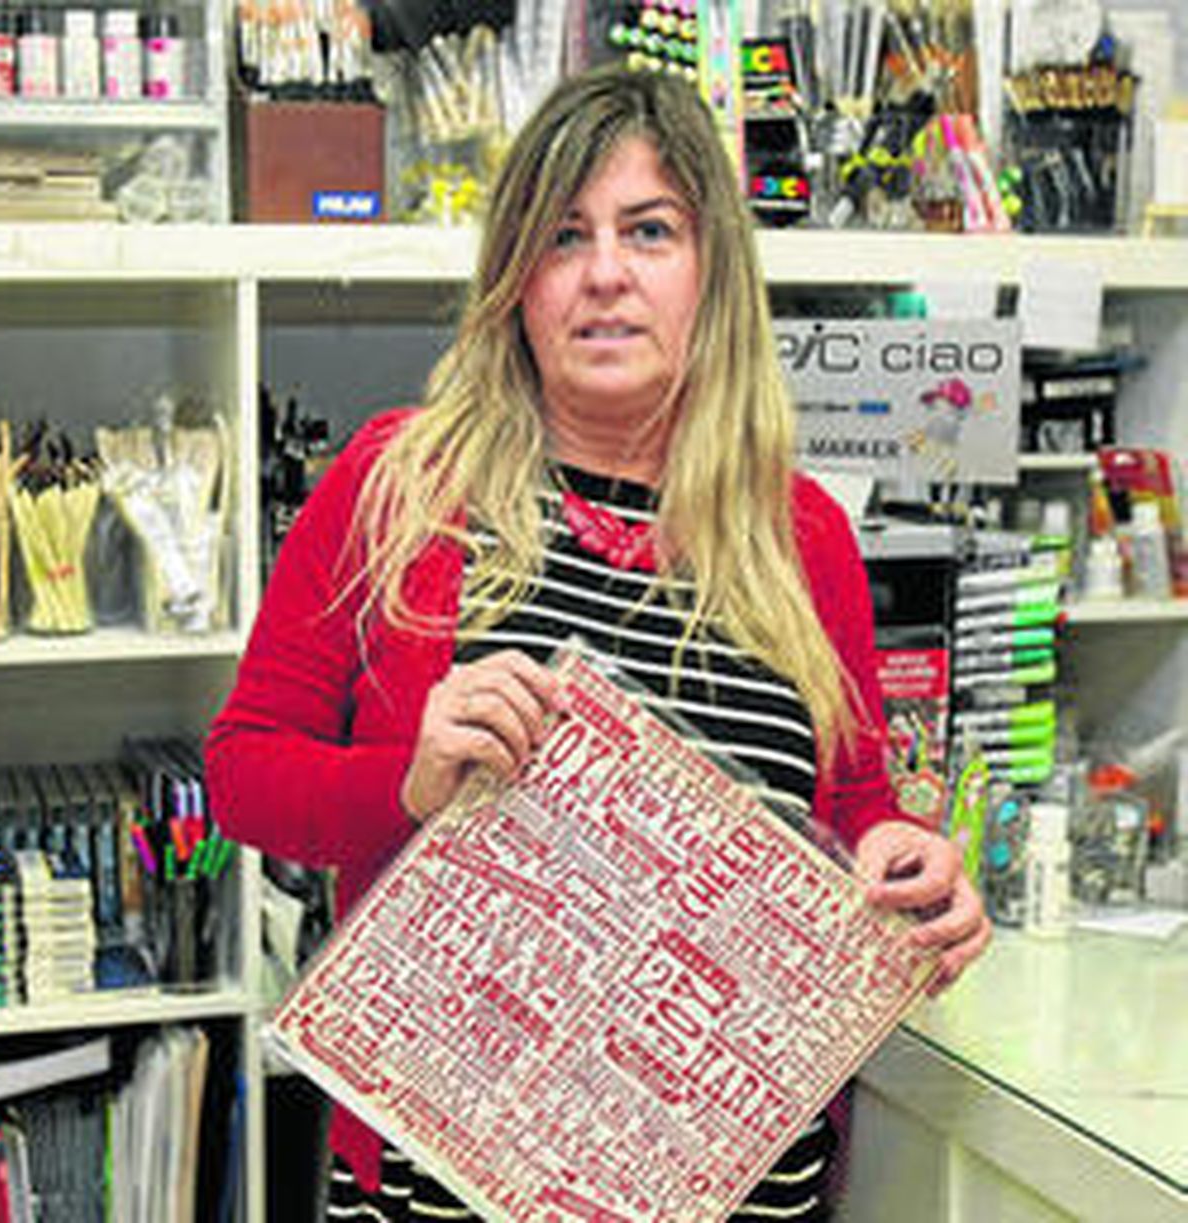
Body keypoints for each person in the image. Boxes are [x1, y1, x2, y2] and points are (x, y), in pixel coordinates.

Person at [207, 64, 991, 1223]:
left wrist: (909, 864)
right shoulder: (401, 484)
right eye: (564, 236)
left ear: (710, 269)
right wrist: (407, 781)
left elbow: (855, 799)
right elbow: (242, 772)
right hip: (452, 1186)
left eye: (650, 230)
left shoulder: (801, 533)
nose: (606, 274)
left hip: (737, 1187)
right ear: (516, 279)